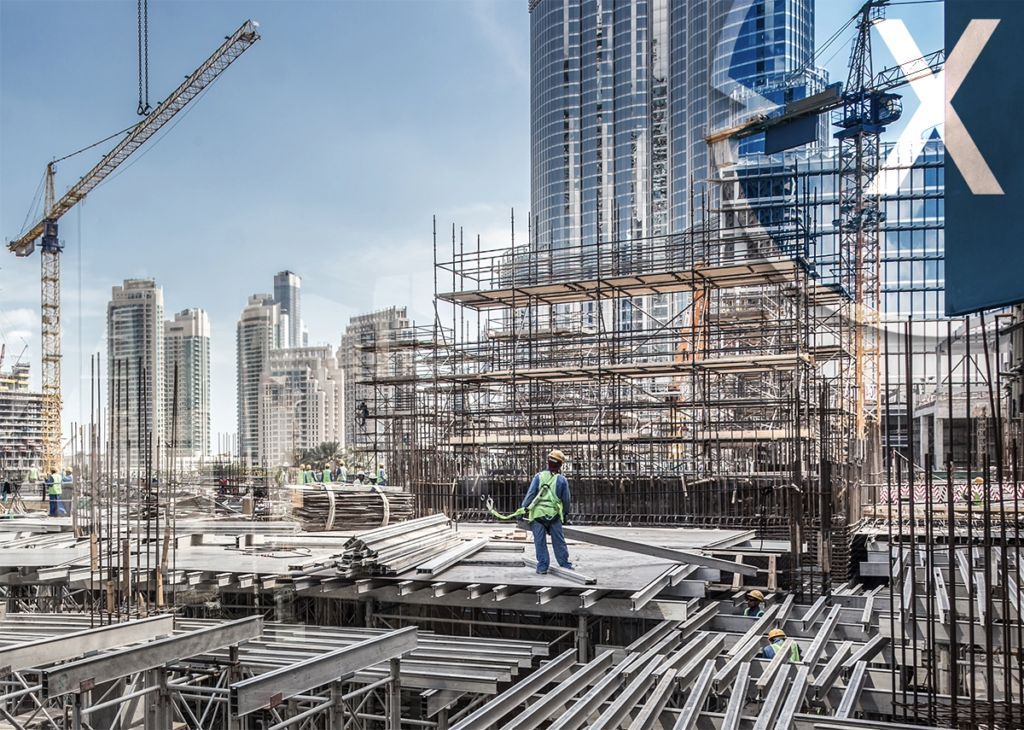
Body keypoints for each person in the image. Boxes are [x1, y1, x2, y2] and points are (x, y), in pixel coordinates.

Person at [521, 450, 572, 574]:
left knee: (540, 542)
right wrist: (565, 514)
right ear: (560, 465)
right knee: (559, 541)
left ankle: (543, 567)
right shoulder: (562, 480)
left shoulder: (539, 477)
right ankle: (565, 565)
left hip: (538, 515)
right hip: (554, 515)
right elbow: (566, 500)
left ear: (548, 462)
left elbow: (531, 495)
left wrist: (523, 509)